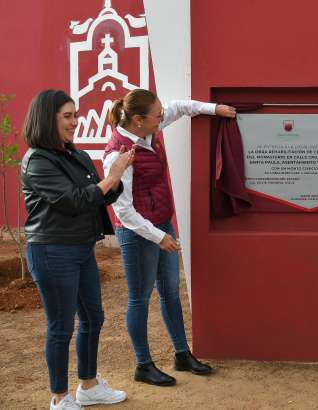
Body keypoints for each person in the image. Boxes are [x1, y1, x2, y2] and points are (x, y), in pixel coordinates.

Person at [103, 89, 236, 386]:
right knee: (139, 298)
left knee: (170, 292)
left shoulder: (148, 128)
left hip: (161, 224)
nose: (162, 118)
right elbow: (123, 211)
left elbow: (179, 107)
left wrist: (215, 108)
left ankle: (181, 354)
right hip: (137, 233)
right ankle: (143, 365)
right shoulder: (117, 154)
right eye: (157, 116)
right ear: (139, 120)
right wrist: (158, 237)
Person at [22, 89, 134, 410]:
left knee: (93, 318)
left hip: (81, 247)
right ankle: (59, 398)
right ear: (48, 119)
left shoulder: (76, 155)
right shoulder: (37, 161)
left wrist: (117, 177)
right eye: (67, 116)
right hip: (52, 251)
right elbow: (74, 201)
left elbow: (99, 195)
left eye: (76, 115)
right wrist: (112, 176)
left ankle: (88, 386)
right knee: (61, 327)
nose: (75, 122)